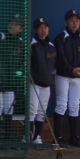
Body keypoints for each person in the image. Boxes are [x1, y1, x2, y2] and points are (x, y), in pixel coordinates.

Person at [53, 9, 80, 148]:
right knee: (61, 105)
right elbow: (59, 58)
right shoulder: (61, 37)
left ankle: (74, 137)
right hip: (63, 76)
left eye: (77, 20)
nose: (75, 23)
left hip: (78, 76)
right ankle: (57, 137)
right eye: (71, 20)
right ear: (65, 22)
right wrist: (71, 69)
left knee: (75, 105)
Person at [0, 14, 25, 149]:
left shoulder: (21, 42)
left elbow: (22, 65)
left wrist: (18, 75)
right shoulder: (0, 37)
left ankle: (7, 138)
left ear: (20, 28)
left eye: (16, 24)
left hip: (12, 82)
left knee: (8, 109)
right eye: (11, 22)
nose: (12, 25)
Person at [28, 17, 56, 145]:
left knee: (42, 112)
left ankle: (37, 137)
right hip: (34, 83)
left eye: (45, 27)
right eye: (40, 28)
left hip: (46, 84)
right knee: (32, 110)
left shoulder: (51, 46)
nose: (43, 30)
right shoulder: (32, 44)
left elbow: (53, 65)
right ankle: (27, 137)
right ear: (35, 30)